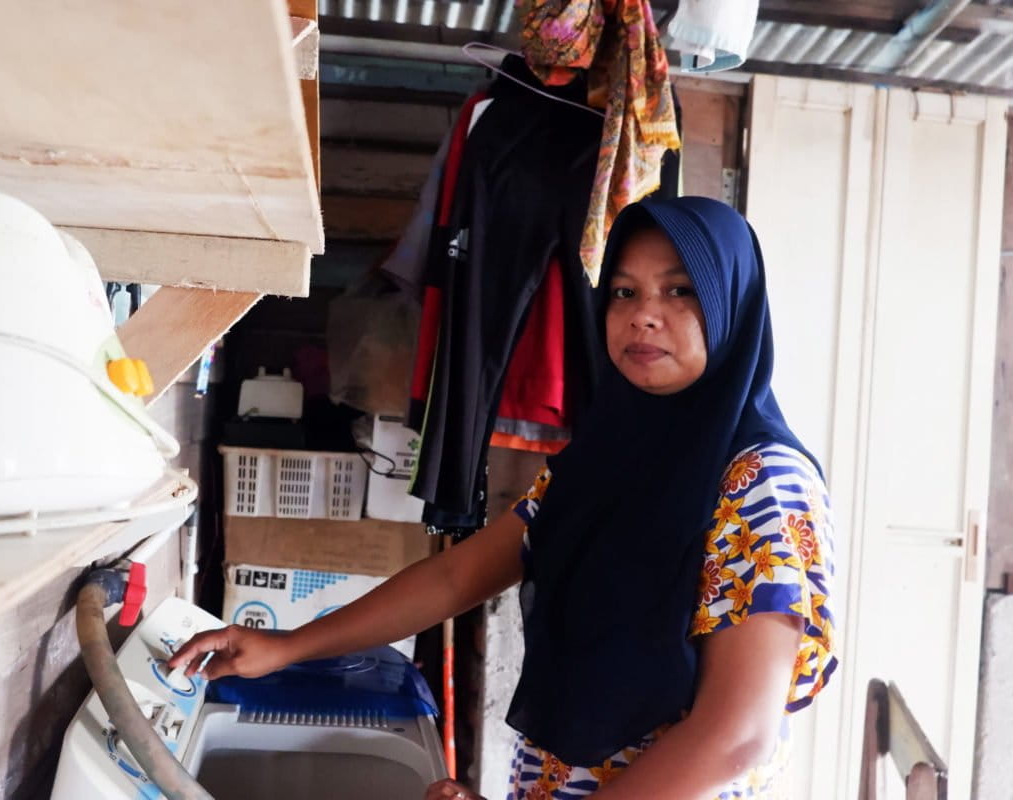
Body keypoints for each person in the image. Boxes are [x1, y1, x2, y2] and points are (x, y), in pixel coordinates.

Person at [168, 197, 837, 799]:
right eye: (625, 292)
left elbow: (734, 736)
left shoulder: (763, 484)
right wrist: (286, 647)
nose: (643, 317)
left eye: (680, 291)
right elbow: (460, 574)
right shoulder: (599, 460)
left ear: (732, 306)